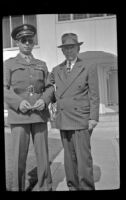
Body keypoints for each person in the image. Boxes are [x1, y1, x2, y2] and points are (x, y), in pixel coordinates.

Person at [4, 24, 54, 191]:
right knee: (19, 156)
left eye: (30, 40)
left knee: (43, 155)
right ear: (17, 42)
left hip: (39, 115)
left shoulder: (41, 64)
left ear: (33, 42)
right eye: (23, 40)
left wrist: (45, 100)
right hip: (19, 116)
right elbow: (4, 88)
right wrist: (18, 103)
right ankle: (17, 188)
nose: (27, 43)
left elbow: (49, 87)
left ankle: (45, 186)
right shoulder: (9, 64)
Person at [49, 33, 100, 190]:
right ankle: (73, 187)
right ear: (62, 51)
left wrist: (93, 118)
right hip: (64, 118)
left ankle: (86, 187)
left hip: (81, 118)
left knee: (83, 159)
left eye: (72, 47)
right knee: (69, 159)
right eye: (66, 48)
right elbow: (48, 89)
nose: (69, 51)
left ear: (78, 48)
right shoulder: (56, 70)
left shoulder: (88, 67)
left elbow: (94, 94)